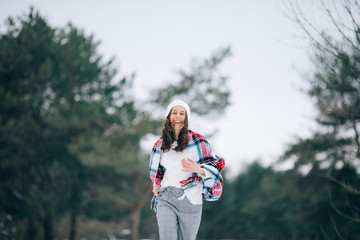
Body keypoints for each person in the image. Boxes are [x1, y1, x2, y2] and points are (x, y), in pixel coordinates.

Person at [149, 99, 225, 240]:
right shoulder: (160, 144)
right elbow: (157, 170)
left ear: (186, 117)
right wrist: (156, 183)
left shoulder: (199, 141)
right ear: (169, 117)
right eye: (174, 113)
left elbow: (215, 166)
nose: (178, 116)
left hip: (191, 198)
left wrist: (199, 169)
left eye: (182, 113)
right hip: (167, 196)